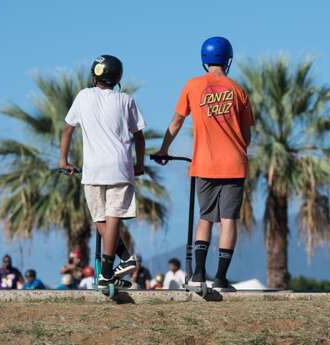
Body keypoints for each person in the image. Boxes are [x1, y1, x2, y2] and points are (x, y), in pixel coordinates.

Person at [154, 37, 254, 291]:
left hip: (204, 164)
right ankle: (221, 278)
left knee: (205, 219)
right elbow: (247, 136)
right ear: (228, 59)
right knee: (228, 220)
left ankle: (198, 274)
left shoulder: (192, 86)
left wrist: (164, 149)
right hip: (234, 164)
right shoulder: (239, 91)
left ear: (204, 59)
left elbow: (176, 123)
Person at [59, 55, 145, 289]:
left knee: (100, 219)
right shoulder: (126, 100)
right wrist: (139, 164)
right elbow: (139, 135)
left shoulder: (83, 96)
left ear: (94, 75)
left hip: (93, 170)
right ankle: (120, 262)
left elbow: (67, 131)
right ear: (118, 77)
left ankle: (111, 269)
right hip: (120, 167)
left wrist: (63, 160)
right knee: (112, 217)